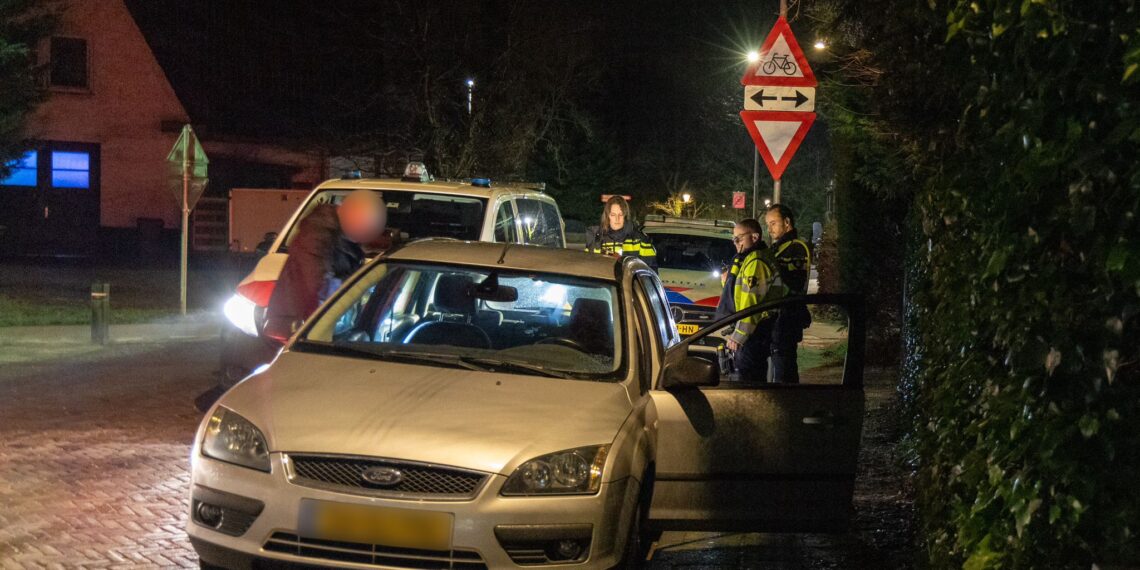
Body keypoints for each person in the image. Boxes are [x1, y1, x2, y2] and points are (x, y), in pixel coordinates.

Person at [263, 190, 387, 340]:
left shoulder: (346, 240)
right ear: (350, 213)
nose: (368, 232)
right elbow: (316, 286)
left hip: (314, 329)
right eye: (366, 224)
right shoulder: (318, 235)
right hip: (297, 331)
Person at [714, 218, 781, 382]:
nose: (735, 243)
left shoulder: (756, 261)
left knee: (748, 380)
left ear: (755, 237)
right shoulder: (749, 258)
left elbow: (751, 304)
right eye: (733, 239)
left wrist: (739, 336)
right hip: (755, 332)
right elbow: (741, 292)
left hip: (755, 334)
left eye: (739, 238)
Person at [765, 204, 812, 383]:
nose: (769, 229)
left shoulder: (797, 247)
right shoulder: (777, 248)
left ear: (787, 222)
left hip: (787, 316)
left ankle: (789, 404)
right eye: (767, 225)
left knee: (785, 369)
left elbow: (794, 283)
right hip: (777, 317)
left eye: (773, 223)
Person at [586, 195, 657, 270]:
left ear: (625, 215)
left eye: (620, 214)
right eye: (613, 215)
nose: (617, 219)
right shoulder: (596, 238)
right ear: (607, 216)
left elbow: (650, 273)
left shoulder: (641, 241)